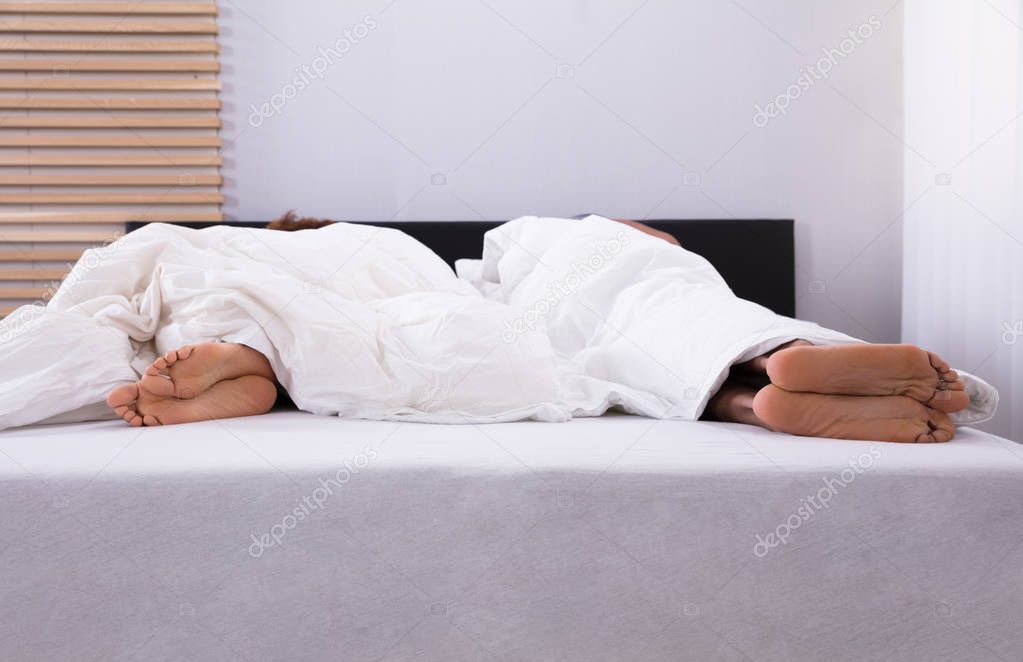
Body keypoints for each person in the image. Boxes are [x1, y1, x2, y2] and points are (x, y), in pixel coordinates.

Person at [106, 214, 969, 443]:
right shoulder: (532, 244)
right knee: (667, 325)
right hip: (527, 303)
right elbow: (650, 252)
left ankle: (252, 355)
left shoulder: (280, 257)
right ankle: (780, 366)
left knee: (268, 308)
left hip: (448, 330)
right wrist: (641, 237)